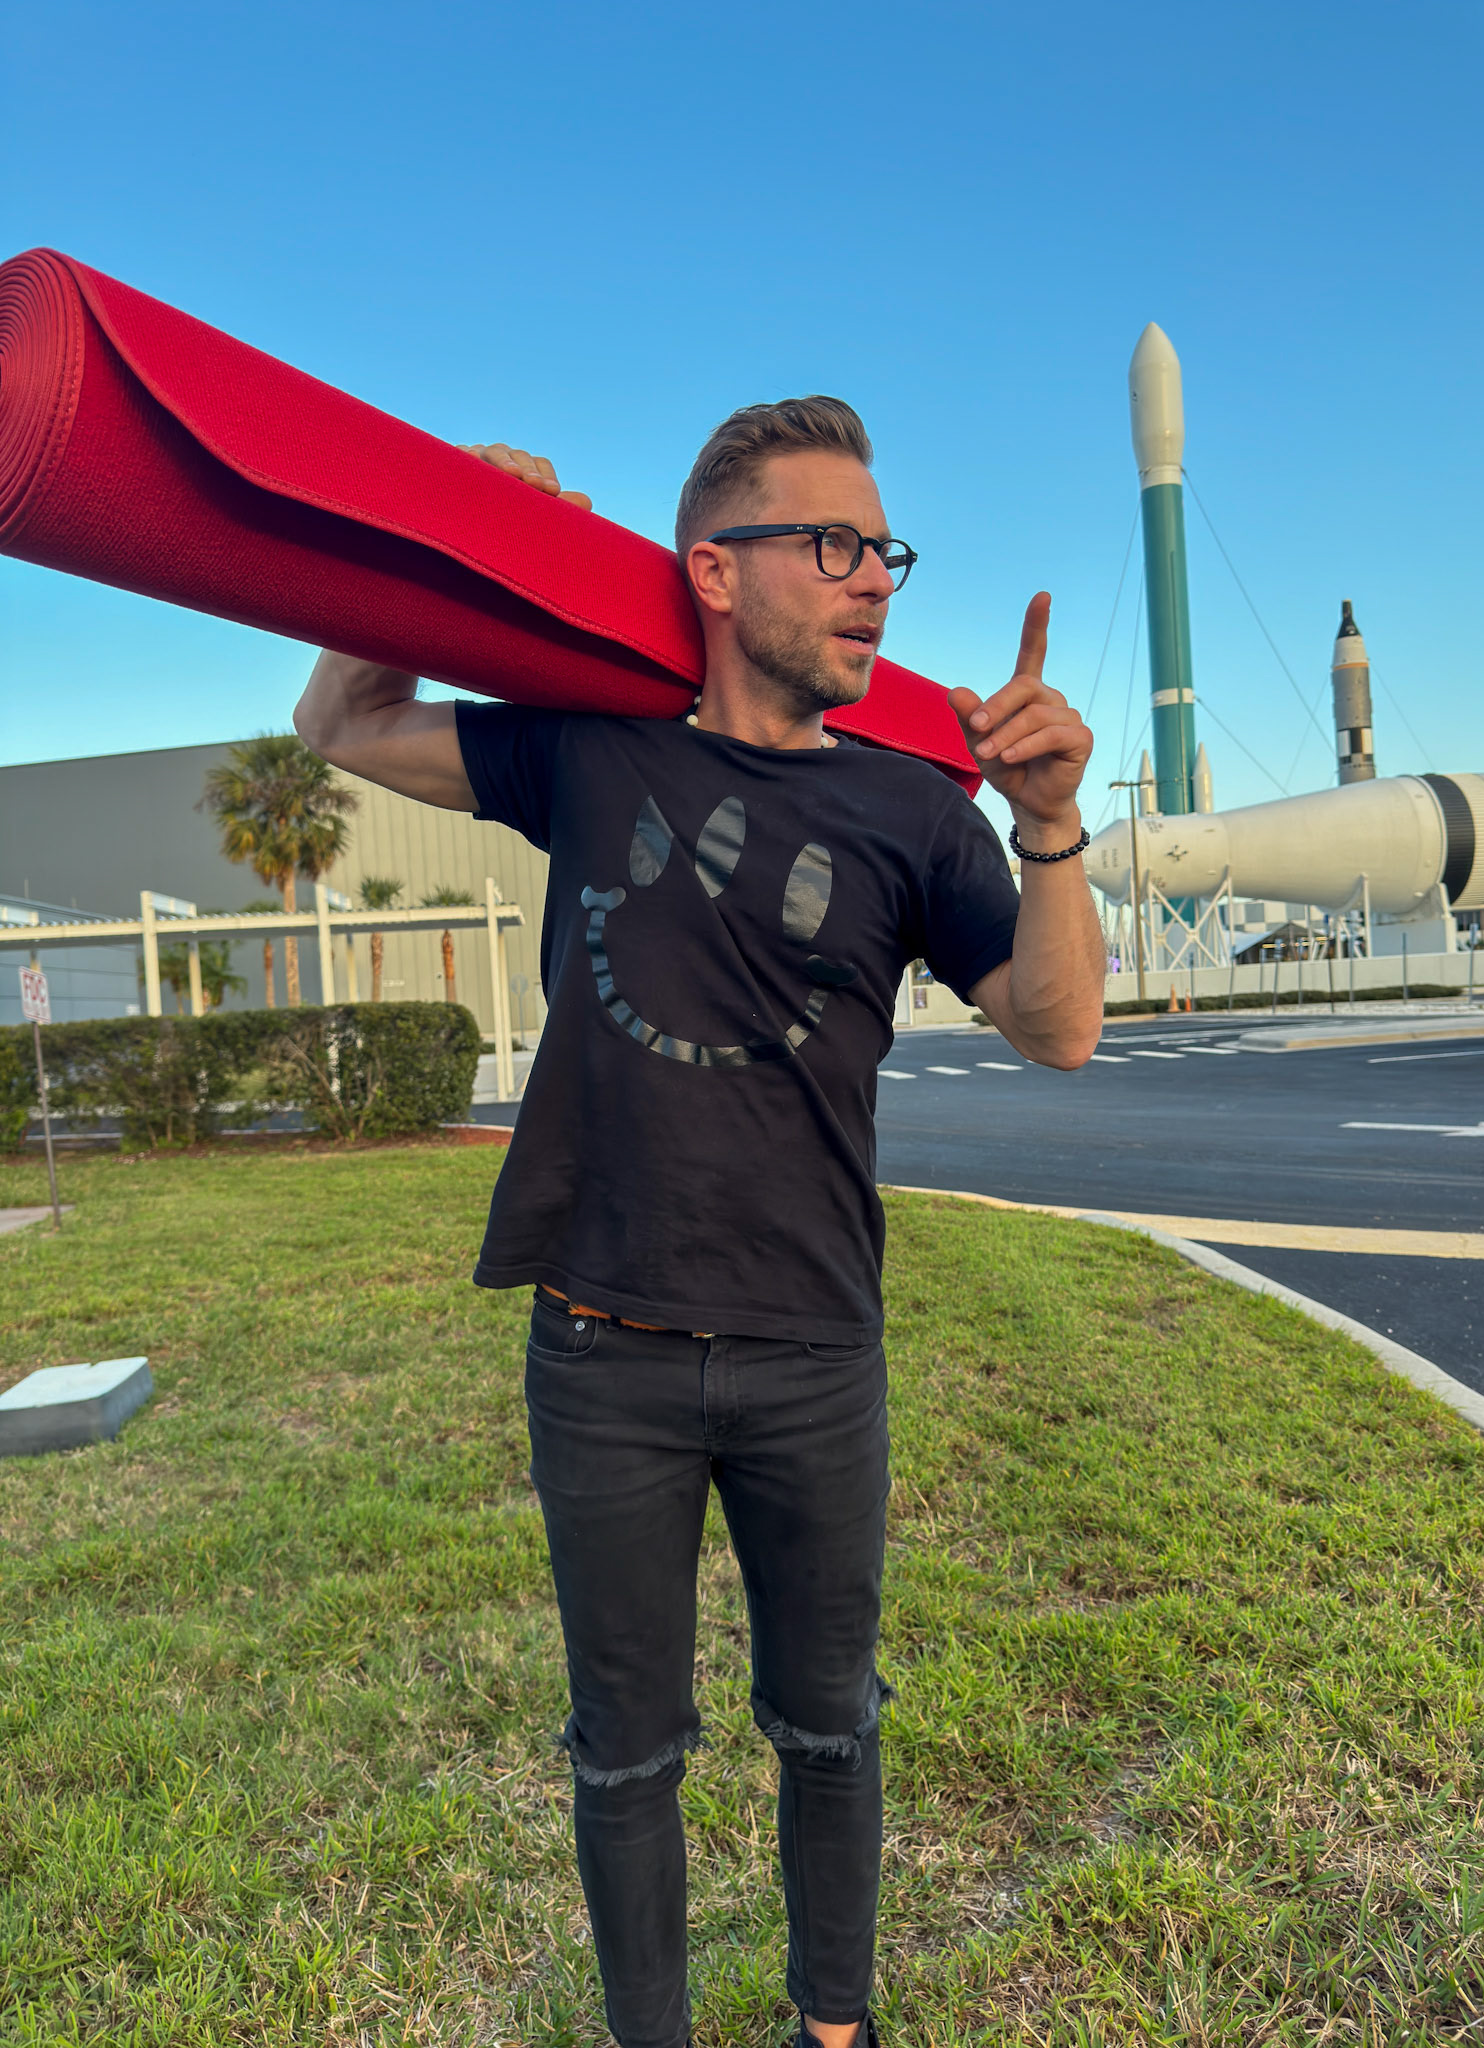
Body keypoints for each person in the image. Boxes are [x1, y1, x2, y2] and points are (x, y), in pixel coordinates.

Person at [295, 397, 1103, 2048]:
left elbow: (1059, 1025)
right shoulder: (590, 747)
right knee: (625, 1753)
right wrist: (440, 526)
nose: (875, 579)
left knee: (830, 1725)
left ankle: (832, 2030)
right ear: (715, 572)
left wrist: (1046, 827)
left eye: (885, 550)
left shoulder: (915, 809)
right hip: (606, 1348)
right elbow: (343, 723)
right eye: (836, 543)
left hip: (817, 1350)